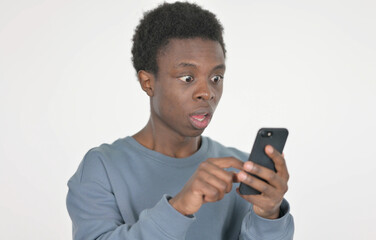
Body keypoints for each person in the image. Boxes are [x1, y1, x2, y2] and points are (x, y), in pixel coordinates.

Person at [66, 2, 294, 239]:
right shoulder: (102, 167)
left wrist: (268, 215)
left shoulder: (242, 171)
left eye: (216, 77)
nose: (207, 92)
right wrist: (179, 208)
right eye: (187, 77)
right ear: (148, 83)